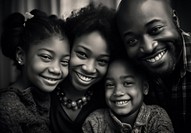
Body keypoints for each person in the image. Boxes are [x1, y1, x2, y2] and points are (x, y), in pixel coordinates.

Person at [116, 0, 191, 132]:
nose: (148, 47)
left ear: (175, 20)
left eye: (155, 29)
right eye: (132, 40)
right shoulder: (126, 73)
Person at [50, 3, 117, 133]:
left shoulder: (109, 101)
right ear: (68, 47)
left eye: (102, 61)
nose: (89, 68)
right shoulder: (43, 93)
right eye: (82, 54)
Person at [0, 9, 70, 133]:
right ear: (21, 56)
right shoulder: (7, 108)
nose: (56, 69)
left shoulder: (55, 96)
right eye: (46, 57)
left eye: (64, 62)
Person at [82, 52, 174, 133]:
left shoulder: (157, 117)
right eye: (110, 84)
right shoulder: (94, 122)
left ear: (145, 87)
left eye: (127, 83)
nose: (118, 92)